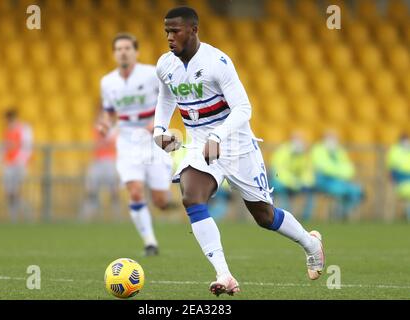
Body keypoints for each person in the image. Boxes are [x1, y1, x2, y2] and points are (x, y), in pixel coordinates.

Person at [153, 7, 325, 296]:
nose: (169, 37)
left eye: (175, 31)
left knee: (264, 216)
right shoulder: (165, 65)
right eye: (166, 31)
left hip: (237, 145)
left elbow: (244, 108)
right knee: (191, 196)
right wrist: (159, 131)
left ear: (194, 30)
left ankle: (311, 244)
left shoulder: (217, 62)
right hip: (200, 145)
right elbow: (165, 97)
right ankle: (224, 274)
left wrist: (219, 135)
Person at [98, 33, 174, 256]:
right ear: (114, 54)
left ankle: (162, 202)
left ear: (136, 52)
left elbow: (171, 99)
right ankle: (150, 243)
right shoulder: (107, 82)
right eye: (119, 49)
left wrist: (157, 123)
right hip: (128, 141)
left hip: (153, 141)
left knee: (160, 200)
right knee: (135, 191)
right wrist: (105, 124)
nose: (123, 52)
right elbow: (110, 113)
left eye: (127, 48)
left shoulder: (152, 74)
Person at [311, 131, 364, 219]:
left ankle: (343, 212)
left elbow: (349, 168)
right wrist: (340, 171)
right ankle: (338, 213)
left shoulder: (339, 151)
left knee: (357, 191)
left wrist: (338, 171)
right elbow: (324, 168)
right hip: (325, 182)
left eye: (334, 138)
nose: (333, 141)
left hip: (341, 181)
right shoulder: (318, 150)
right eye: (330, 138)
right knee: (340, 191)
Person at [80, 121, 120, 221]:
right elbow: (97, 142)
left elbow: (112, 141)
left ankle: (116, 217)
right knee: (91, 190)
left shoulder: (114, 128)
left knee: (114, 191)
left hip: (110, 160)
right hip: (97, 161)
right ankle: (88, 216)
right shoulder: (98, 127)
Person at [270, 132, 315, 221]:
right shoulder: (282, 152)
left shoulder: (304, 155)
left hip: (297, 183)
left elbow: (308, 172)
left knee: (310, 192)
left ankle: (306, 219)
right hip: (281, 183)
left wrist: (304, 182)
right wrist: (292, 182)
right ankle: (283, 219)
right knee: (283, 194)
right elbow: (278, 172)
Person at [2, 109, 33, 222]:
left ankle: (27, 213)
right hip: (9, 165)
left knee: (15, 192)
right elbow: (4, 148)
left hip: (19, 164)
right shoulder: (7, 131)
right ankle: (13, 218)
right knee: (9, 193)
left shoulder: (24, 129)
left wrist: (21, 162)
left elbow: (27, 146)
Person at [386, 134, 410, 220]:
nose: (407, 143)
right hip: (401, 180)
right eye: (406, 141)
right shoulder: (395, 151)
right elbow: (392, 169)